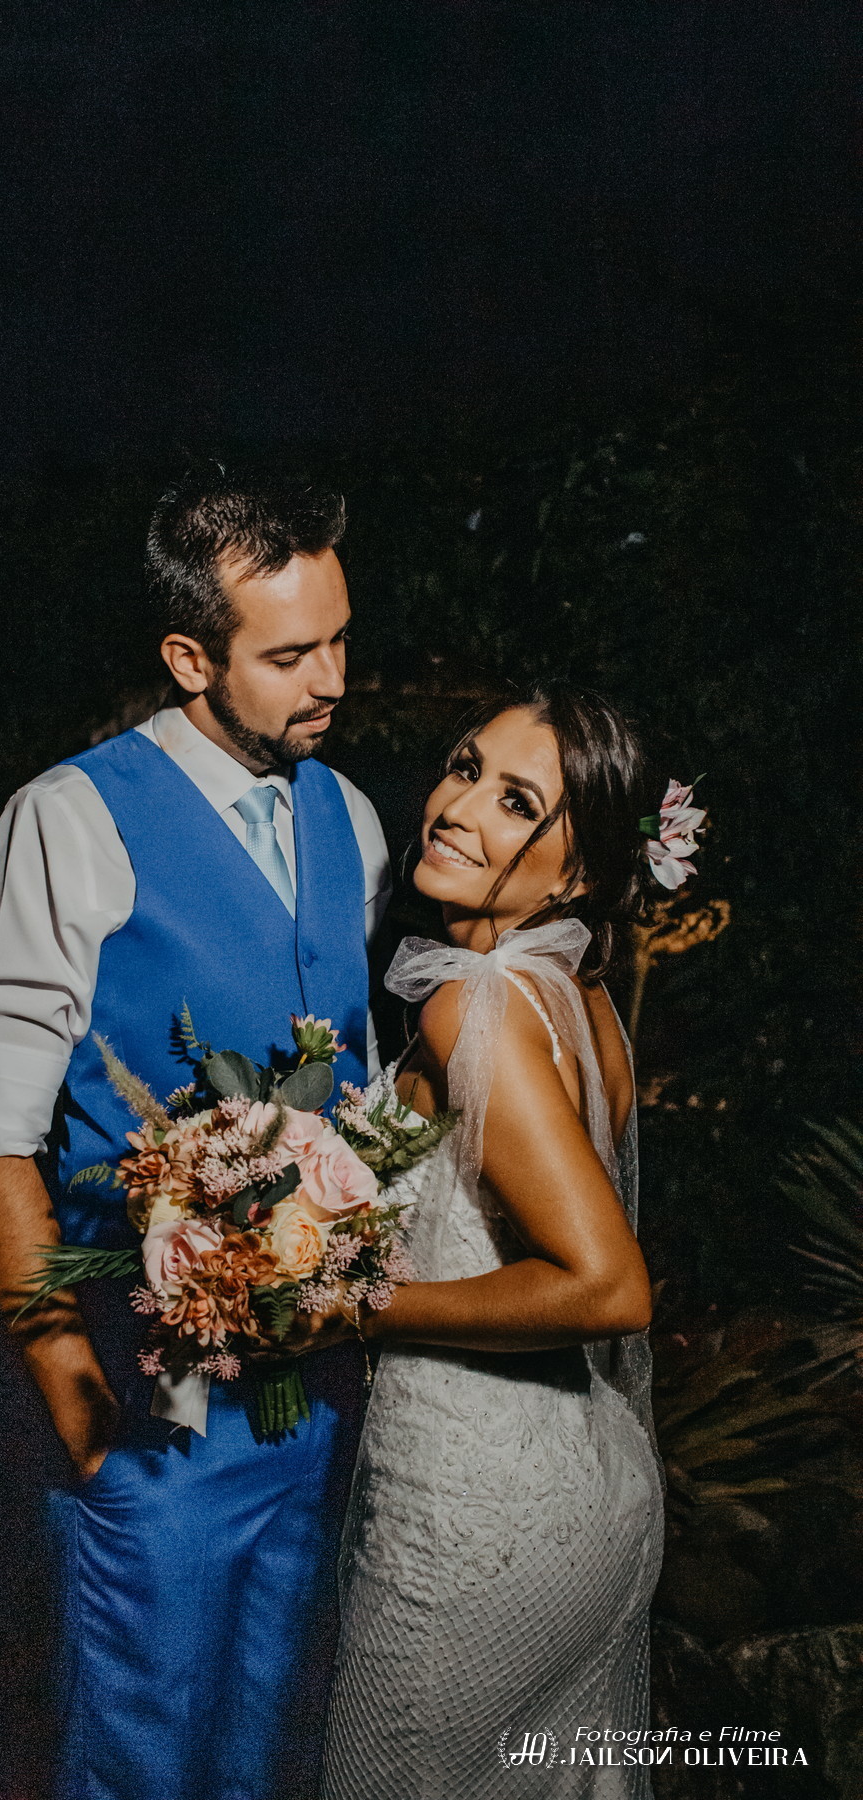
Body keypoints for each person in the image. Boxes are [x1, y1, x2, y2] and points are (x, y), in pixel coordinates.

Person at [0, 471, 391, 1800]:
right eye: (290, 656)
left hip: (322, 1409)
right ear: (191, 658)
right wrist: (80, 1414)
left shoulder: (350, 815)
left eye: (340, 640)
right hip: (157, 1427)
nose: (331, 681)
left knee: (272, 1757)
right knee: (138, 1770)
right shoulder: (68, 822)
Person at [321, 683, 666, 1800]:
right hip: (593, 1492)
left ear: (578, 875)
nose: (459, 808)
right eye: (466, 768)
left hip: (472, 1523)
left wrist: (356, 1306)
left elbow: (609, 1288)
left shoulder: (473, 1003)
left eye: (517, 802)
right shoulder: (579, 995)